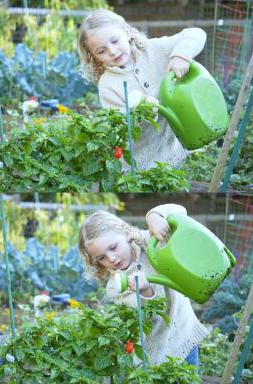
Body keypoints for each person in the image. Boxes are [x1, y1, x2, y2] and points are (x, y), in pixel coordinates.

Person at [77, 204, 208, 368]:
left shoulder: (151, 242)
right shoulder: (116, 286)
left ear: (125, 232)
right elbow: (147, 317)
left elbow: (180, 212)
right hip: (155, 349)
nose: (111, 258)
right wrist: (145, 291)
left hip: (182, 335)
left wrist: (154, 216)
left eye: (113, 247)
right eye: (102, 257)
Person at [77, 9, 207, 170]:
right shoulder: (108, 85)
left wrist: (181, 56)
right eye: (101, 51)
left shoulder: (155, 49)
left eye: (115, 41)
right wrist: (141, 111)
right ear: (93, 56)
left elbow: (196, 33)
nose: (112, 51)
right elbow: (122, 128)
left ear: (126, 31)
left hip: (174, 151)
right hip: (141, 165)